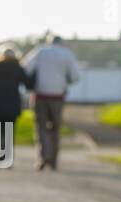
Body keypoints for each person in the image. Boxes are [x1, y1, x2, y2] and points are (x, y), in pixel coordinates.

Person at [23, 34, 80, 170]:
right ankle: (53, 161)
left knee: (41, 128)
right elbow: (75, 76)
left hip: (40, 96)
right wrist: (64, 82)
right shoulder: (67, 55)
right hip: (58, 97)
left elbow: (26, 68)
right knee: (55, 128)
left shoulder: (40, 51)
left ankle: (43, 157)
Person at [0, 44, 29, 168]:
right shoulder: (18, 68)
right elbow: (28, 83)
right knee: (10, 132)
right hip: (13, 104)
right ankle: (8, 160)